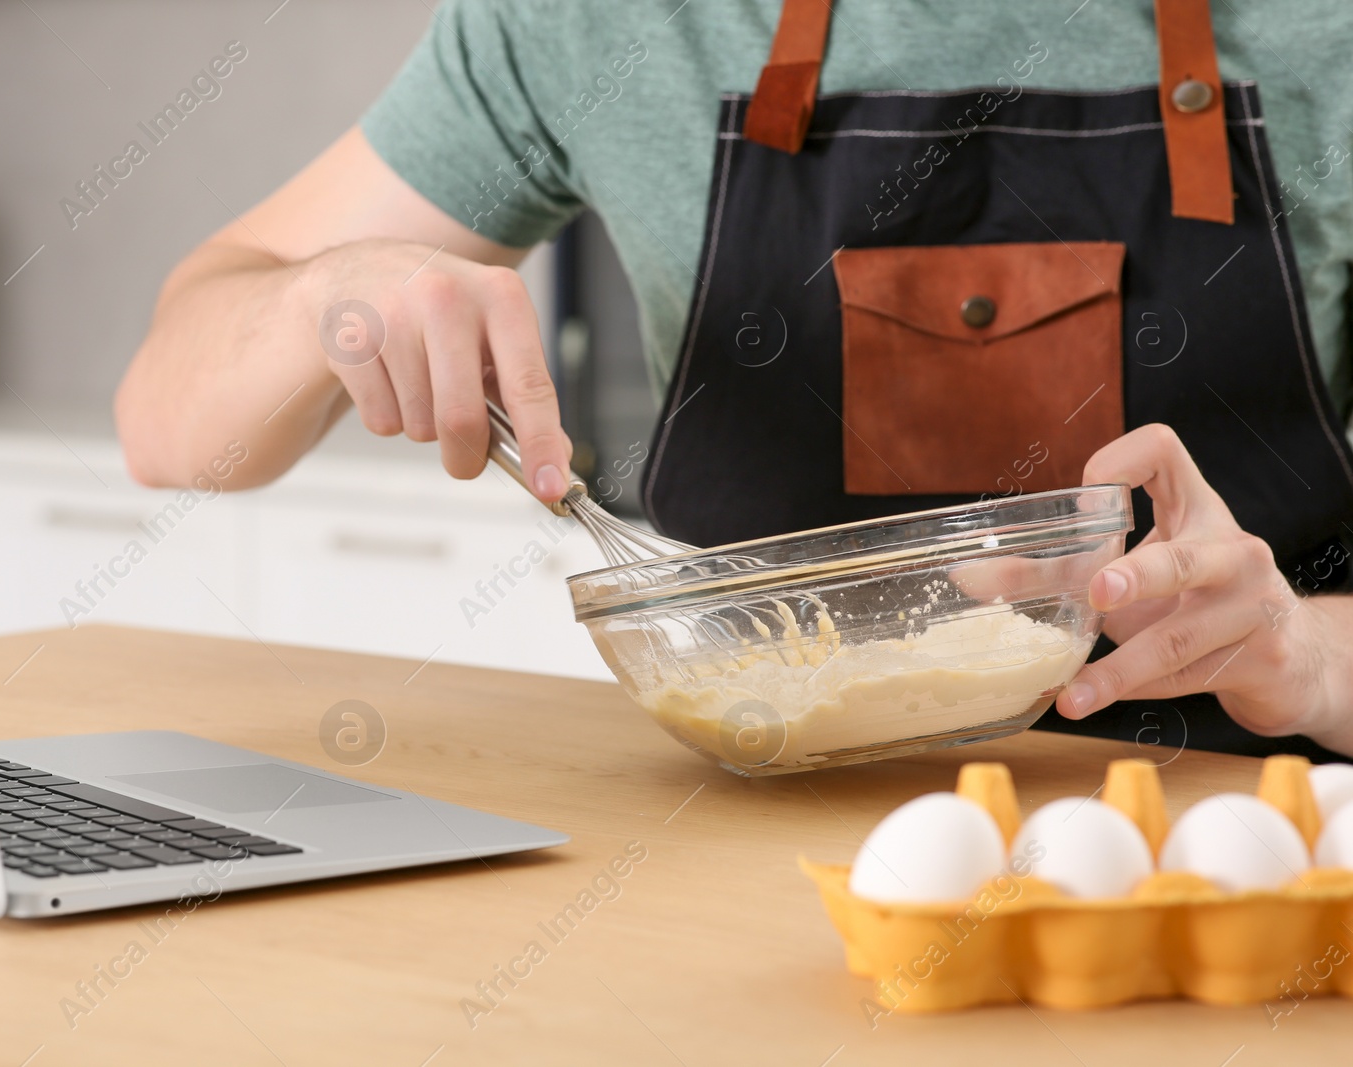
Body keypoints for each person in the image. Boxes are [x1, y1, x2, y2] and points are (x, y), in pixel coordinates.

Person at [116, 0, 1353, 760]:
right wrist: (315, 297)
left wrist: (1300, 653)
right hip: (724, 876)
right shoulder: (588, 22)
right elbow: (168, 427)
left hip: (1233, 860)